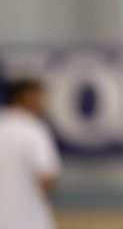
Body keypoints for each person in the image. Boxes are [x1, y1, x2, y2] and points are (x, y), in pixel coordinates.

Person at [0, 78, 61, 229]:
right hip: (25, 220)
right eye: (38, 97)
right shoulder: (33, 129)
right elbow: (46, 178)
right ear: (24, 98)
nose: (43, 103)